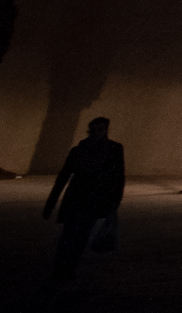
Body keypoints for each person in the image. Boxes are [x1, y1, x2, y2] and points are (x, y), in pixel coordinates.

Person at [44, 116, 125, 281]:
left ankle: (67, 269)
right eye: (94, 130)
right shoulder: (80, 150)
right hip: (79, 198)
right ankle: (61, 270)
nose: (96, 134)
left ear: (106, 131)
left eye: (100, 130)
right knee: (71, 235)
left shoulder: (112, 149)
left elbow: (118, 177)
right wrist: (51, 202)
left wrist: (115, 200)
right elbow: (64, 176)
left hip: (93, 199)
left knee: (80, 236)